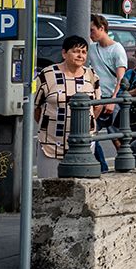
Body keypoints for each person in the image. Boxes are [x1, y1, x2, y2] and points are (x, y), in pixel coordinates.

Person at [35, 35, 102, 178]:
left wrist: (84, 124)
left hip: (83, 145)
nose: (80, 55)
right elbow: (36, 107)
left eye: (84, 52)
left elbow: (97, 106)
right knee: (49, 186)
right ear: (64, 53)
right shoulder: (47, 75)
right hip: (51, 143)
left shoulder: (91, 75)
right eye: (76, 51)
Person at [88, 14, 127, 172]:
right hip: (97, 98)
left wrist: (113, 100)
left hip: (111, 98)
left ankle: (125, 166)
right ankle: (102, 167)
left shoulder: (117, 49)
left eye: (92, 30)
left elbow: (121, 79)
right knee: (90, 133)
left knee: (117, 138)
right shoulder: (92, 48)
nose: (90, 34)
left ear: (101, 29)